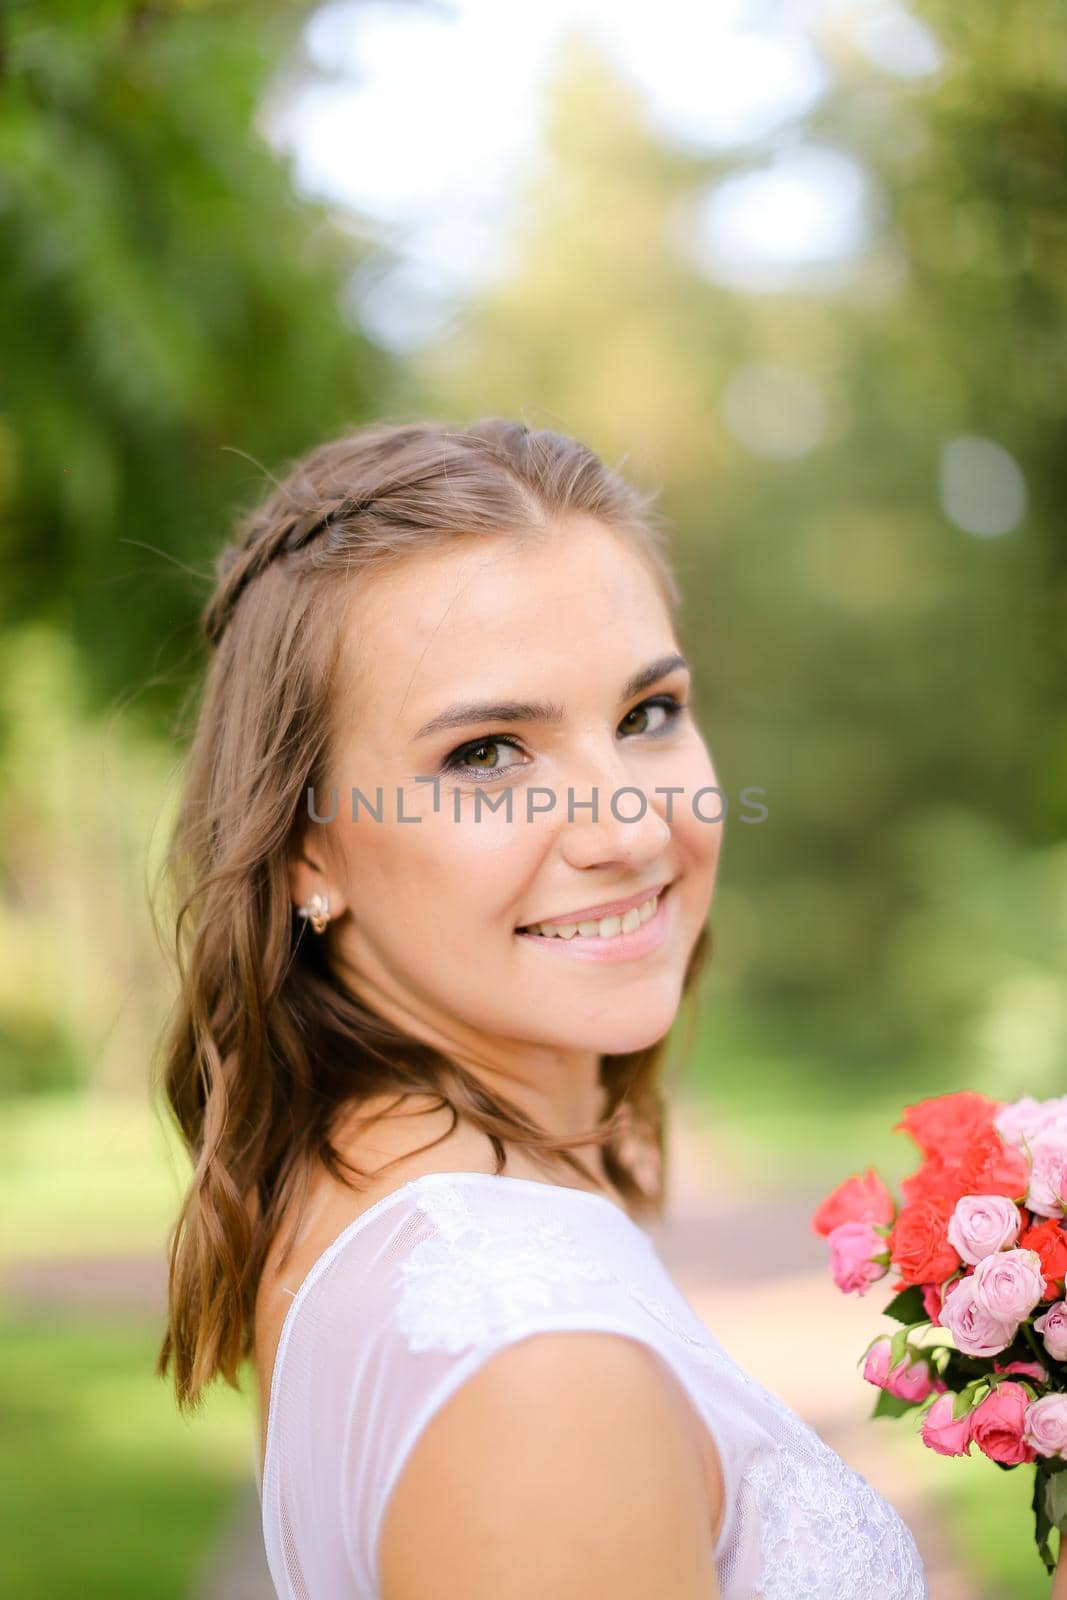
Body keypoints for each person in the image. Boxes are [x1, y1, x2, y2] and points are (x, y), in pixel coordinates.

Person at [155, 418, 931, 1598]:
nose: (627, 830)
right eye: (486, 755)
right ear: (306, 847)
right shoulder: (534, 1361)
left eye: (647, 715)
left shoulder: (373, 1184)